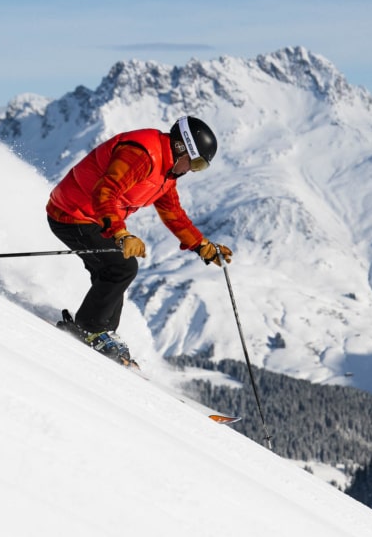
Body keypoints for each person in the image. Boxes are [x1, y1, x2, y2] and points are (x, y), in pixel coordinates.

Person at [47, 115, 233, 367]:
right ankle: (92, 329)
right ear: (181, 147)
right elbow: (106, 191)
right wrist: (120, 233)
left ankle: (101, 331)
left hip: (92, 217)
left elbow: (173, 213)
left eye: (200, 167)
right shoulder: (141, 155)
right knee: (121, 267)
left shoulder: (167, 172)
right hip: (71, 213)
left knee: (113, 269)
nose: (192, 170)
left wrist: (202, 246)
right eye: (196, 163)